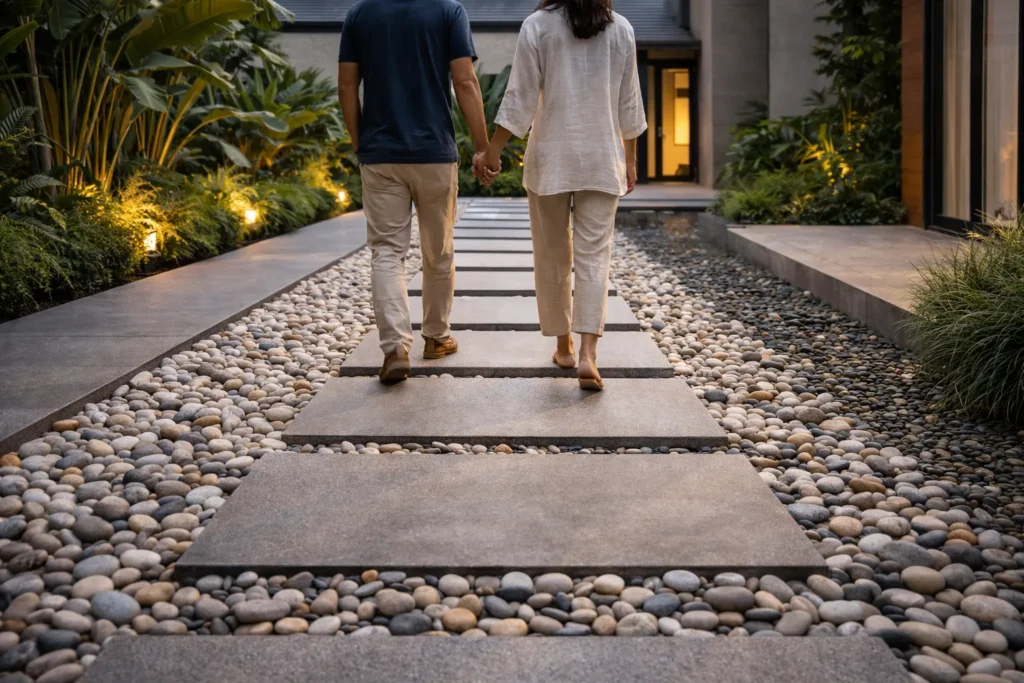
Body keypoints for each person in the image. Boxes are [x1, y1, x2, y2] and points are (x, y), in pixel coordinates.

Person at [480, 0, 646, 391]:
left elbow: (519, 97)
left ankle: (564, 346)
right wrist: (631, 159)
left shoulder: (537, 25)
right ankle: (589, 354)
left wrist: (492, 151)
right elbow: (629, 102)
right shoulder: (621, 29)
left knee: (553, 255)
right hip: (603, 159)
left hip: (551, 159)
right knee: (594, 258)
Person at [337, 0, 493, 384]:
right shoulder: (448, 11)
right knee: (438, 250)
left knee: (387, 252)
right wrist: (483, 147)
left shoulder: (360, 14)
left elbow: (345, 85)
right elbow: (466, 81)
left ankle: (395, 348)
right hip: (434, 154)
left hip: (380, 154)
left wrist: (360, 143)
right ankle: (437, 337)